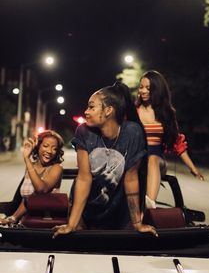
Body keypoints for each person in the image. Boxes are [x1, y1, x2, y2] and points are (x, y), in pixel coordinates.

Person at [53, 81, 157, 238]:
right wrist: (72, 224)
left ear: (108, 110)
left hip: (119, 213)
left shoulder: (133, 133)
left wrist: (137, 224)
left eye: (91, 107)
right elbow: (83, 178)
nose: (86, 112)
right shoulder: (83, 131)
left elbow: (131, 179)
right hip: (85, 211)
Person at [137, 70, 204, 209]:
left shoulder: (166, 113)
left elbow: (177, 143)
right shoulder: (133, 111)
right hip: (137, 158)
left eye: (148, 88)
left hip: (157, 160)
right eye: (141, 87)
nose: (143, 91)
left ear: (157, 90)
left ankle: (149, 203)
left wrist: (193, 168)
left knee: (152, 159)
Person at [0, 130, 64, 225]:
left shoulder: (56, 168)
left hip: (44, 223)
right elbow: (27, 200)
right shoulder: (31, 166)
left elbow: (40, 190)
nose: (49, 151)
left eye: (54, 148)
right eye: (45, 146)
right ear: (38, 146)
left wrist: (26, 159)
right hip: (24, 221)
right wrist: (12, 218)